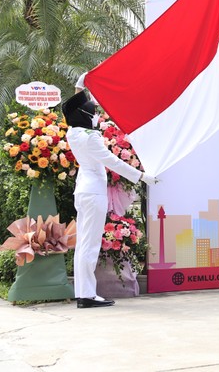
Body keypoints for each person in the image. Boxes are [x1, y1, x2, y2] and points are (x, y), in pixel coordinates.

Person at [62, 74, 158, 308]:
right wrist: (142, 176)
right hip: (93, 193)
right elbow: (113, 161)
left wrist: (79, 86)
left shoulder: (73, 133)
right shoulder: (90, 139)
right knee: (90, 244)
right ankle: (87, 296)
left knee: (84, 244)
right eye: (91, 112)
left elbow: (74, 110)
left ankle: (84, 293)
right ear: (85, 116)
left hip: (83, 192)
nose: (95, 115)